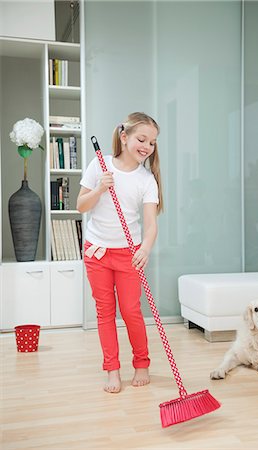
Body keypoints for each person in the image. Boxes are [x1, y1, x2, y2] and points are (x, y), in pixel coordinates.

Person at [77, 112, 163, 394]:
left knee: (131, 311)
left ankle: (141, 364)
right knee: (105, 313)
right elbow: (81, 206)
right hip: (97, 252)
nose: (147, 147)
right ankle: (112, 370)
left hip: (129, 254)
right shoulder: (99, 166)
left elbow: (150, 226)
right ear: (124, 137)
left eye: (151, 142)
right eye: (142, 139)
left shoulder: (146, 179)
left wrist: (145, 248)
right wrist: (101, 188)